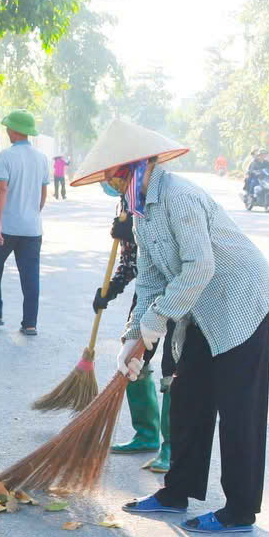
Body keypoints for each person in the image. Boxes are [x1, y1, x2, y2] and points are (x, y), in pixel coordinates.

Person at [71, 118, 269, 534]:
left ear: (133, 167)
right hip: (201, 308)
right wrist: (134, 336)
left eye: (112, 175)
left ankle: (239, 511)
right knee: (188, 397)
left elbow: (200, 266)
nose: (110, 184)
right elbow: (150, 279)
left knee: (239, 410)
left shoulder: (179, 196)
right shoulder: (141, 211)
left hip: (241, 303)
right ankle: (176, 492)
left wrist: (154, 325)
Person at [92, 201, 169, 470]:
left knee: (174, 367)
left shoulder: (159, 197)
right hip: (148, 290)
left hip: (179, 287)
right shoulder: (125, 203)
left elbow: (168, 248)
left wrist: (136, 231)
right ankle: (146, 434)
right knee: (135, 357)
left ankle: (171, 447)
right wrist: (112, 288)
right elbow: (131, 262)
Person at [0, 109, 50, 336]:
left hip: (7, 227)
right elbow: (43, 192)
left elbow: (2, 189)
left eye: (8, 127)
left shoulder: (6, 156)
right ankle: (30, 324)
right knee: (30, 276)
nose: (7, 130)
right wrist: (33, 212)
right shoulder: (41, 158)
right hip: (32, 229)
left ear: (15, 131)